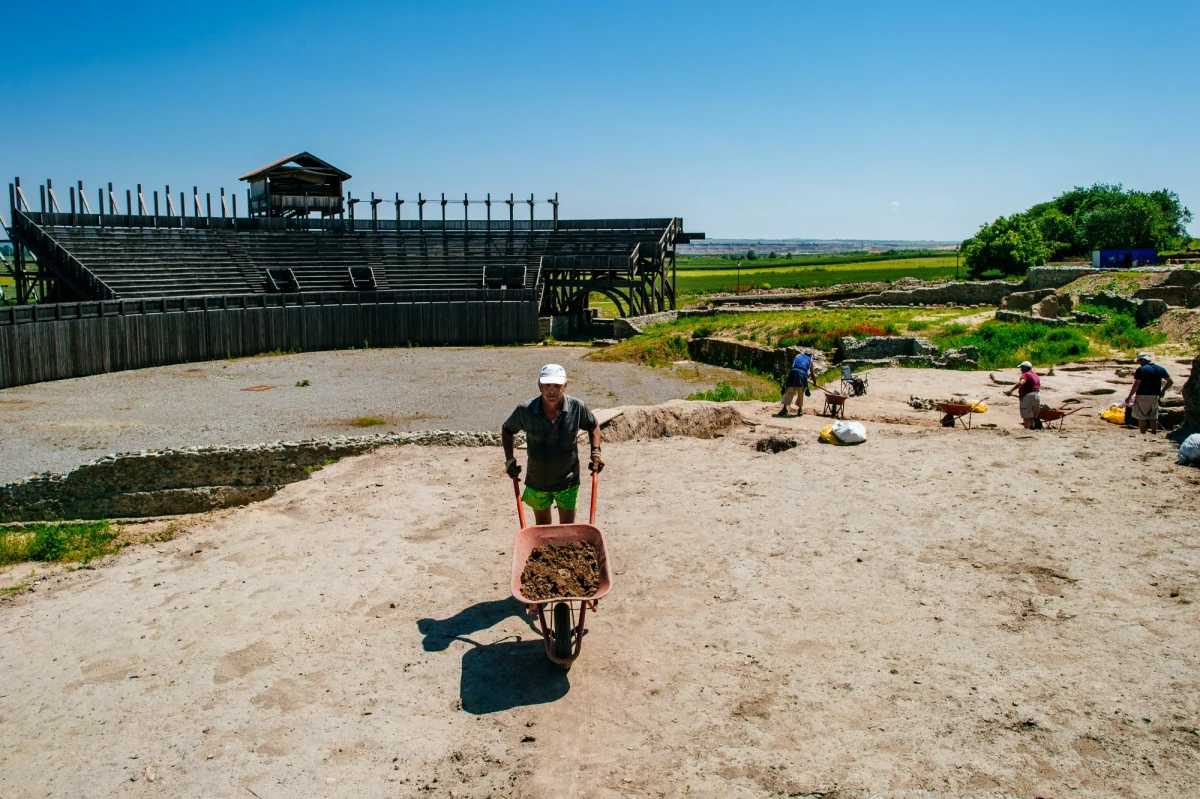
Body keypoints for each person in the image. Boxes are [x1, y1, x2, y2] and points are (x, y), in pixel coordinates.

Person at [502, 364, 603, 526]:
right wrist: (509, 459)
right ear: (539, 386)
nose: (552, 390)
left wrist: (596, 452)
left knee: (566, 529)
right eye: (547, 385)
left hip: (568, 481)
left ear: (565, 386)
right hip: (537, 481)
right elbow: (507, 430)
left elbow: (593, 425)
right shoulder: (525, 410)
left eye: (557, 386)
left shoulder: (577, 407)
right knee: (543, 528)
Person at [1124, 353, 1173, 434]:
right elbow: (1170, 381)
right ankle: (1154, 432)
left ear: (1142, 360)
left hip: (1143, 395)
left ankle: (1143, 433)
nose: (1139, 363)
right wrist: (1163, 390)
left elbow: (1136, 384)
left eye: (1139, 361)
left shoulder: (1141, 370)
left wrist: (1129, 396)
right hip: (1155, 396)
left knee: (1142, 416)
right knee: (1153, 416)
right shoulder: (1160, 369)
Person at [1004, 361, 1041, 430]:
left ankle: (1027, 429)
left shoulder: (1026, 374)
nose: (1020, 369)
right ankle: (1032, 428)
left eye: (1021, 368)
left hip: (1027, 397)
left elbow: (1022, 382)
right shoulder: (1035, 375)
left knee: (1026, 416)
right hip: (1037, 396)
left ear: (1025, 368)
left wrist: (1011, 390)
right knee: (1032, 416)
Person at [778, 351, 816, 417]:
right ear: (810, 355)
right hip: (802, 374)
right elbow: (812, 374)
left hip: (793, 372)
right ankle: (800, 410)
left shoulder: (798, 356)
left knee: (789, 391)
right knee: (800, 392)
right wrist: (815, 383)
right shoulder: (810, 360)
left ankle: (784, 408)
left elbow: (793, 365)